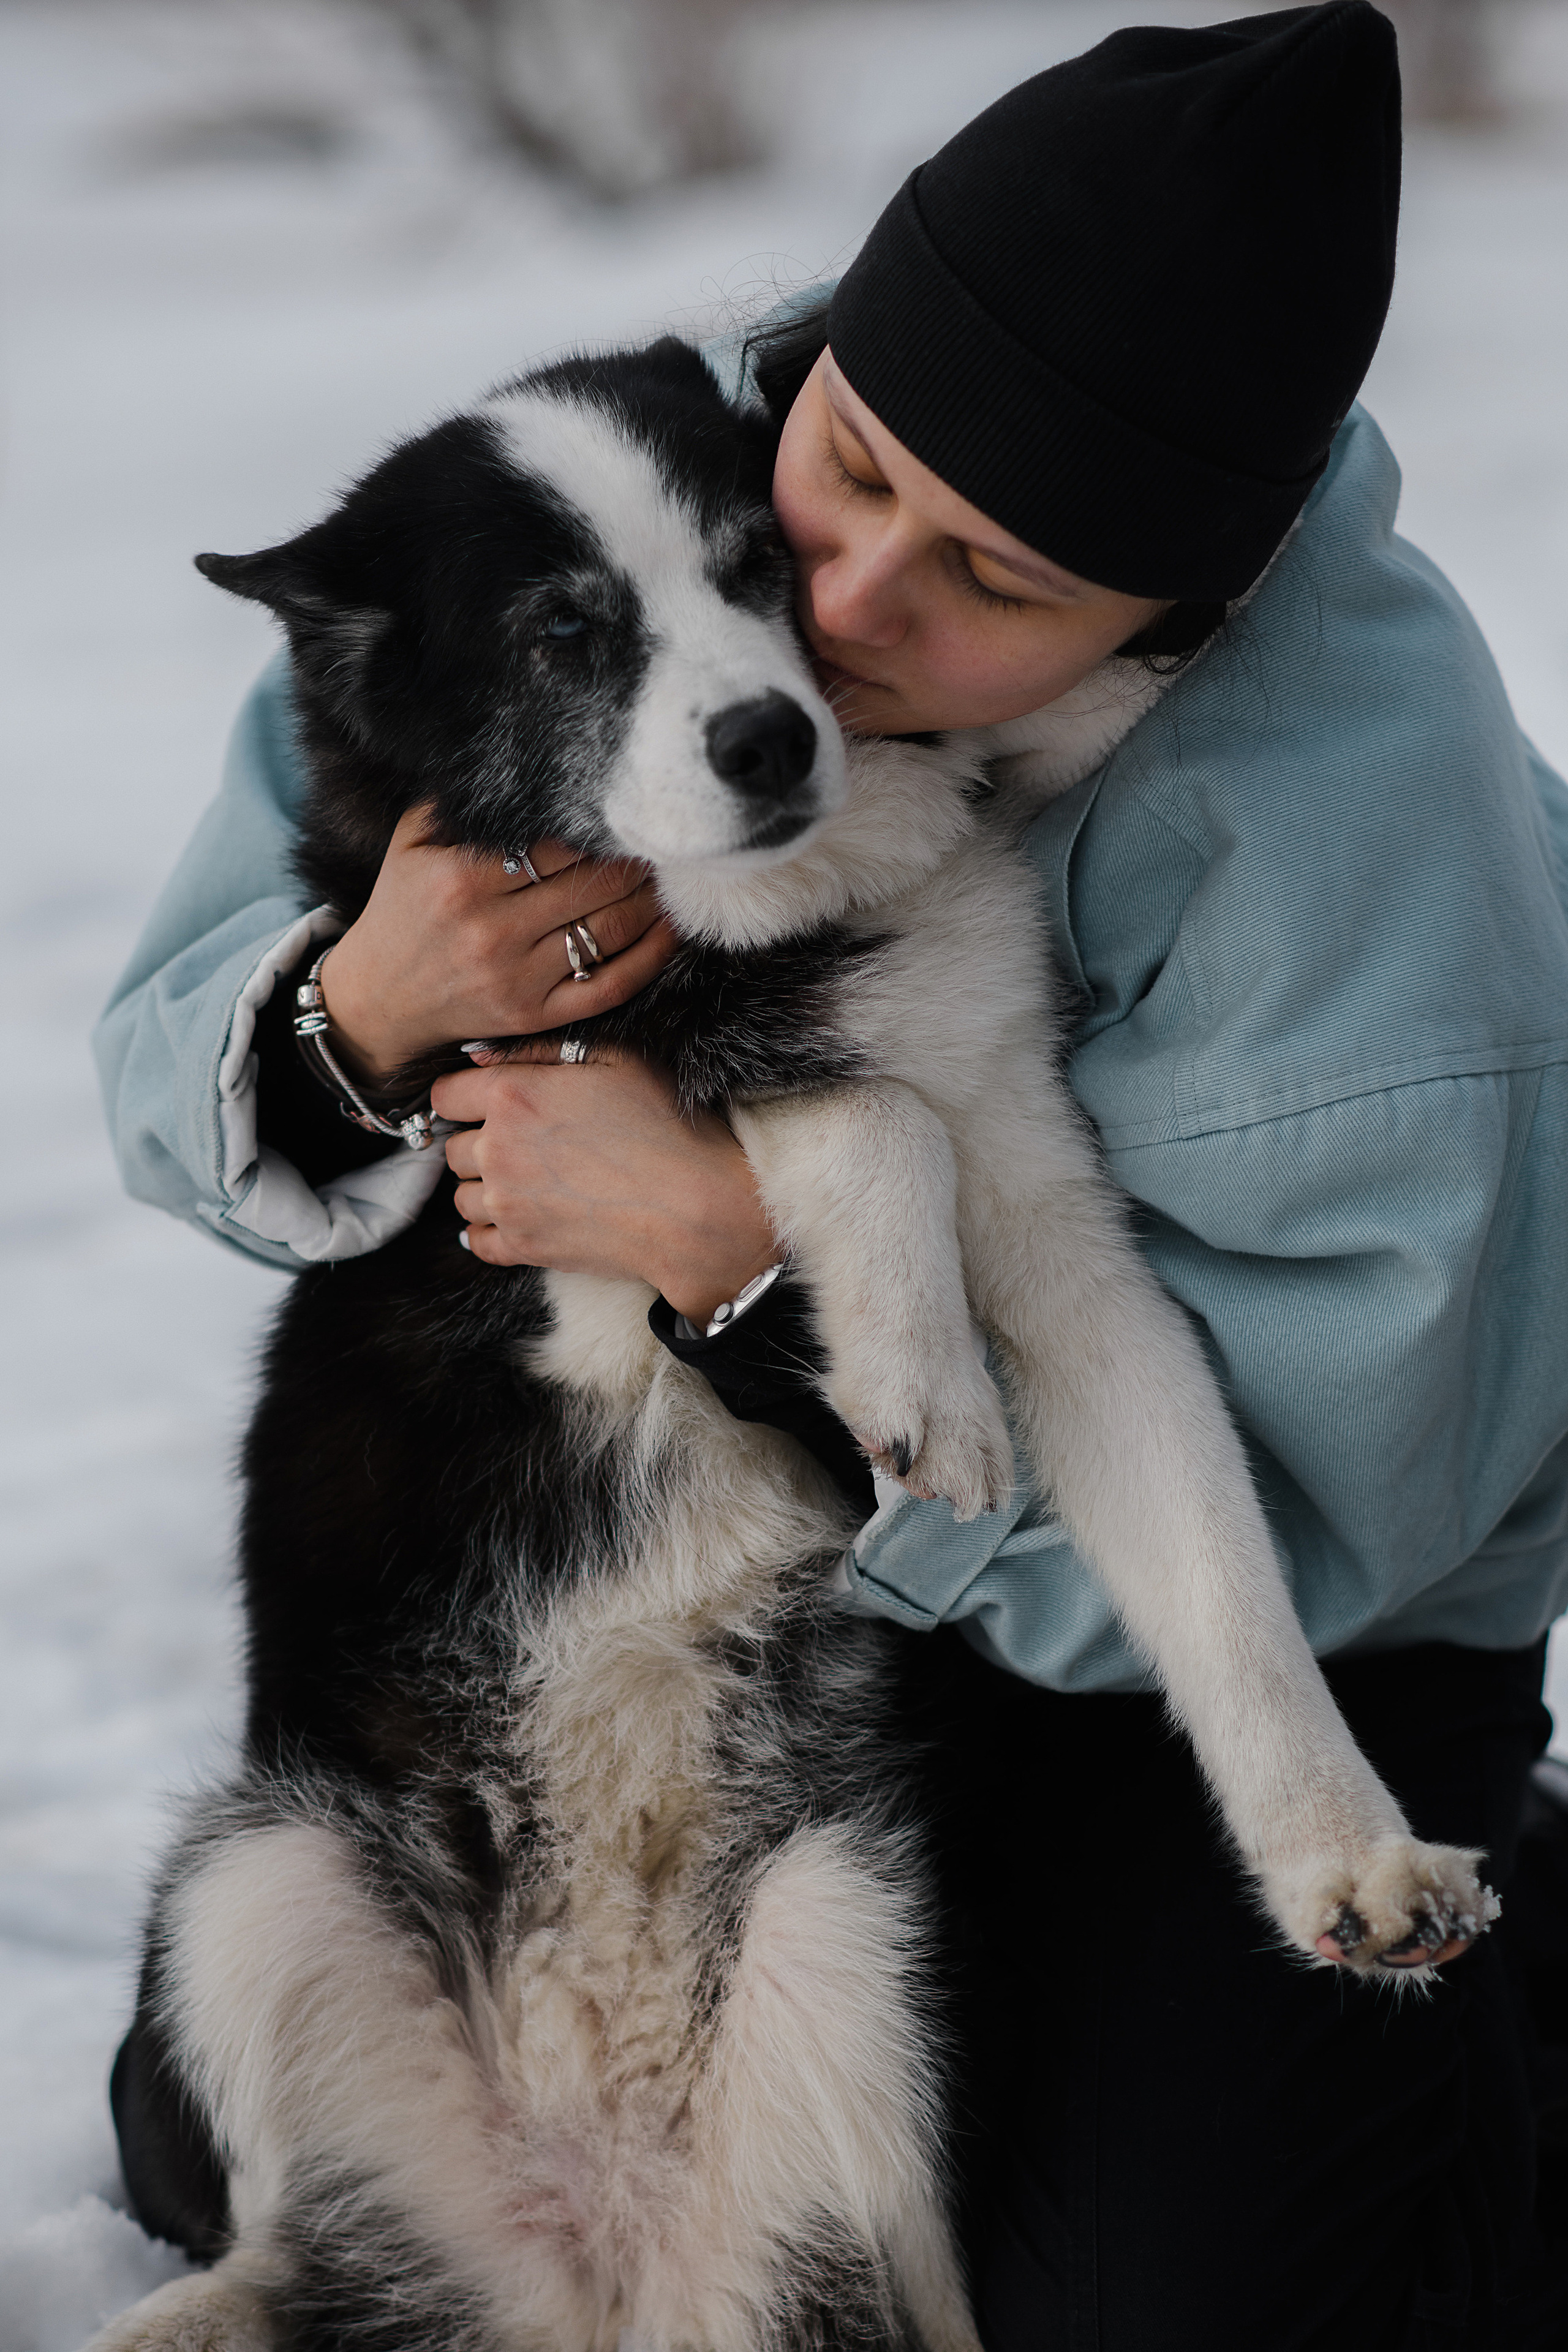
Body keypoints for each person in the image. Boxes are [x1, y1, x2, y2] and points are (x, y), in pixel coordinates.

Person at [96, 5, 1568, 2344]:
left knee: (1160, 2284)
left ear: (1170, 630)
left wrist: (742, 1276)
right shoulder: (663, 465)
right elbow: (175, 1052)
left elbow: (1319, 1526)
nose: (844, 614)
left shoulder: (1385, 893)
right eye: (853, 471)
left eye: (992, 581)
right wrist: (363, 1003)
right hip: (807, 1591)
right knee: (204, 2118)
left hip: (1230, 1628)